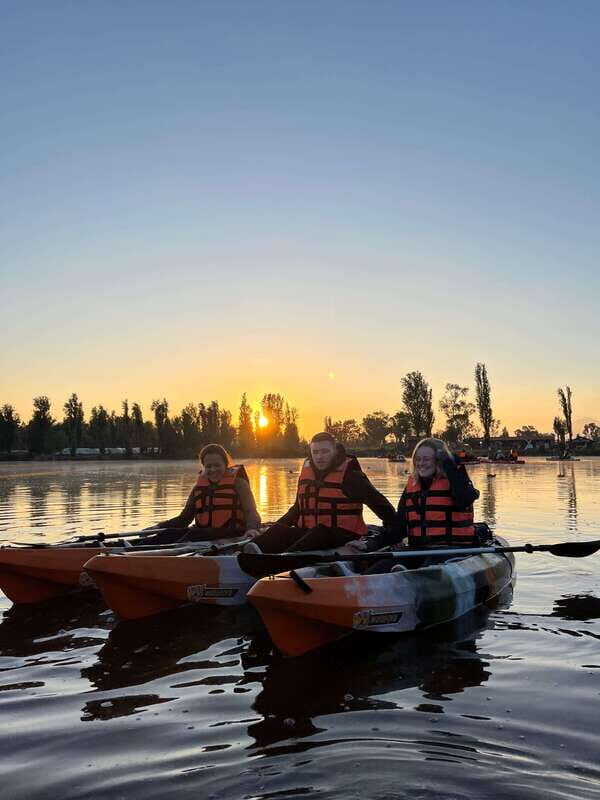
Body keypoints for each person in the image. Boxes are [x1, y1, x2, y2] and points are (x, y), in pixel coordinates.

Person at [243, 432, 396, 553]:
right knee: (279, 531)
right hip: (310, 535)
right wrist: (273, 529)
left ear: (335, 451)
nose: (320, 457)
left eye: (325, 451)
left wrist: (378, 541)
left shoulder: (352, 477)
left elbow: (385, 510)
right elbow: (297, 510)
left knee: (319, 533)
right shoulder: (306, 475)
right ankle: (245, 553)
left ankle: (286, 559)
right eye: (315, 452)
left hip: (344, 536)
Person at [349, 437, 479, 565]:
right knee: (380, 565)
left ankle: (406, 574)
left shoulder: (456, 481)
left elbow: (465, 499)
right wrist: (369, 544)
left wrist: (450, 467)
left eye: (426, 459)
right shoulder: (411, 487)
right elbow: (398, 528)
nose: (421, 463)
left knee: (429, 565)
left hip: (452, 553)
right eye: (418, 459)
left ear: (439, 461)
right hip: (417, 552)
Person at [143, 443, 261, 543]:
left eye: (217, 465)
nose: (213, 470)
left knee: (191, 536)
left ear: (225, 465)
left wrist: (252, 529)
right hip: (202, 535)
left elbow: (251, 512)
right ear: (204, 467)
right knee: (169, 534)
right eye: (208, 466)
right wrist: (158, 526)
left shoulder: (239, 484)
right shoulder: (198, 488)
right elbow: (184, 519)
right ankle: (138, 547)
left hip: (232, 534)